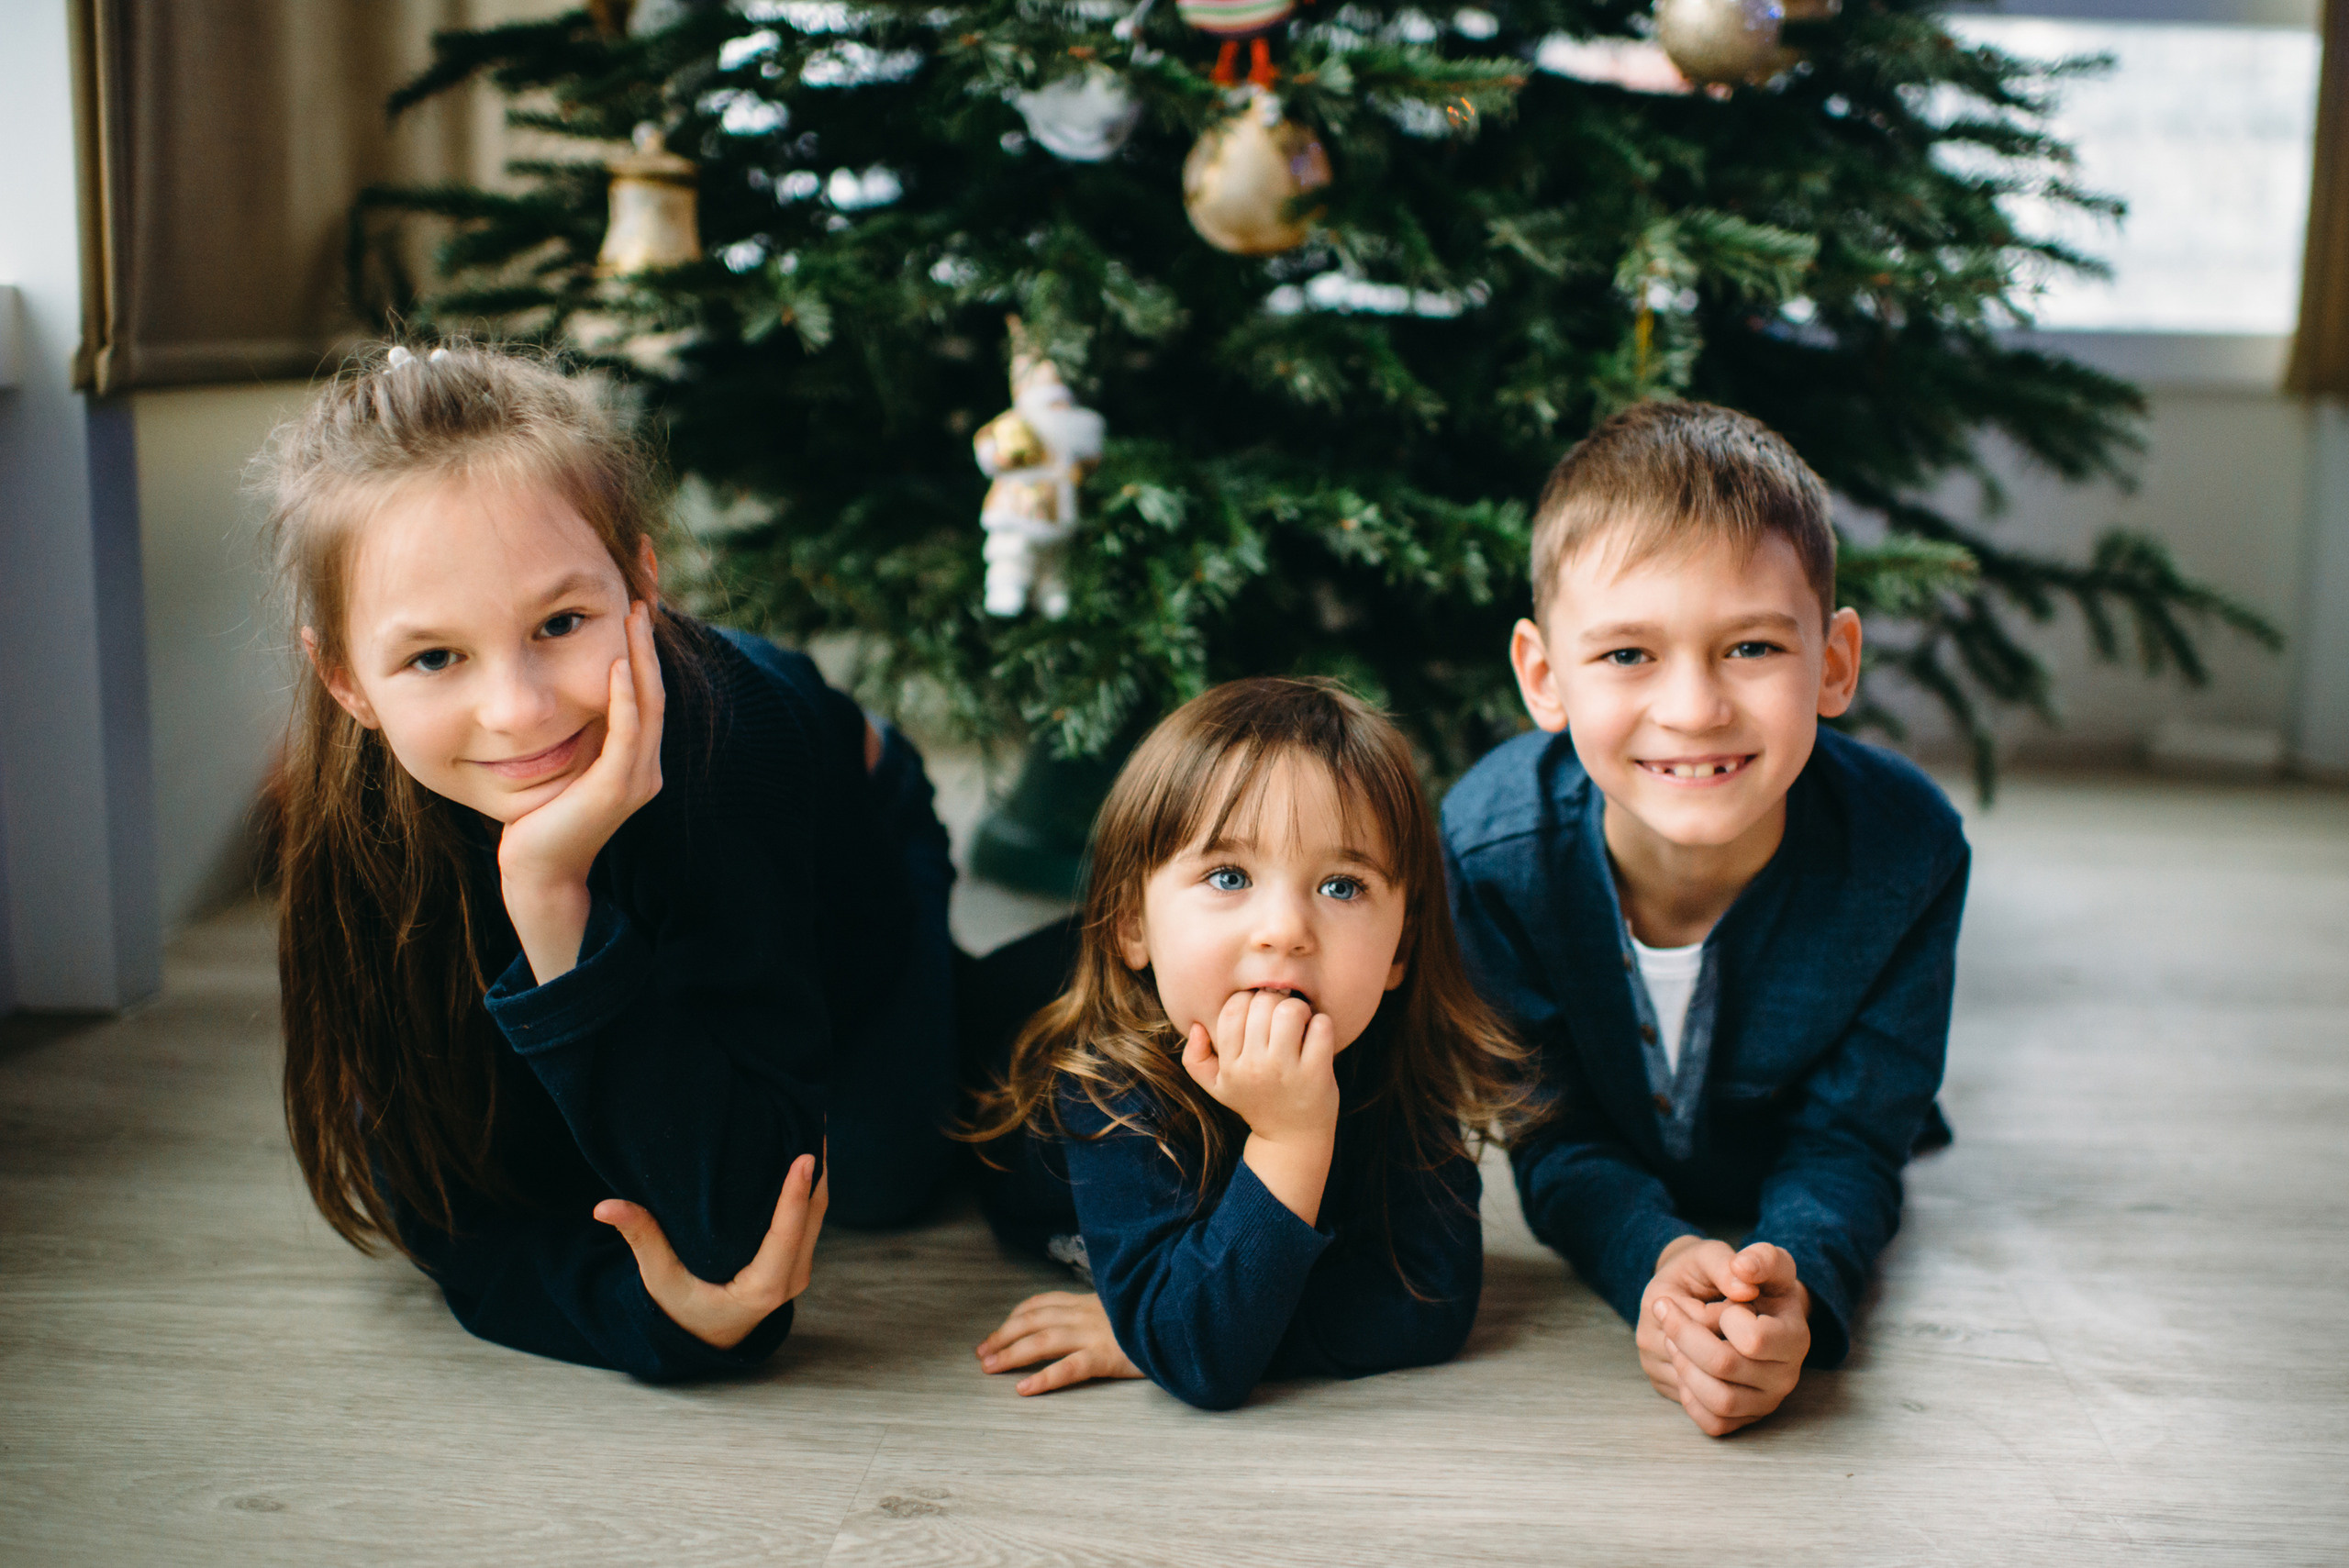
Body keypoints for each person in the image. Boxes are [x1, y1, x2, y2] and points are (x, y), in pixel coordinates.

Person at [262, 341, 961, 1380]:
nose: (519, 709)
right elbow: (446, 1199)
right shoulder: (355, 813)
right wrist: (655, 1318)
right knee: (553, 1139)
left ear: (642, 585)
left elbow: (738, 1234)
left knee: (886, 1167)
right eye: (434, 655)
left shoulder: (739, 740)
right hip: (660, 845)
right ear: (347, 681)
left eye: (561, 621)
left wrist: (551, 897)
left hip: (834, 840)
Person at [1442, 401, 1969, 1436]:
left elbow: (1852, 1139)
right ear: (1543, 676)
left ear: (1832, 663)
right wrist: (1659, 1256)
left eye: (1751, 647)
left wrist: (1801, 1285)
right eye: (1627, 654)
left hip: (1813, 1143)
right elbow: (1554, 1137)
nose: (1692, 708)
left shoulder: (1909, 852)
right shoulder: (1487, 854)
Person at [962, 678, 1529, 1411]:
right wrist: (1289, 1143)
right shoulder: (1106, 1075)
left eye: (1342, 886)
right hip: (984, 1030)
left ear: (1400, 947)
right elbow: (1201, 1357)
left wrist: (1163, 1325)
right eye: (1229, 876)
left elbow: (1430, 1294)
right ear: (1133, 923)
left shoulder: (1393, 1055)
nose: (1285, 928)